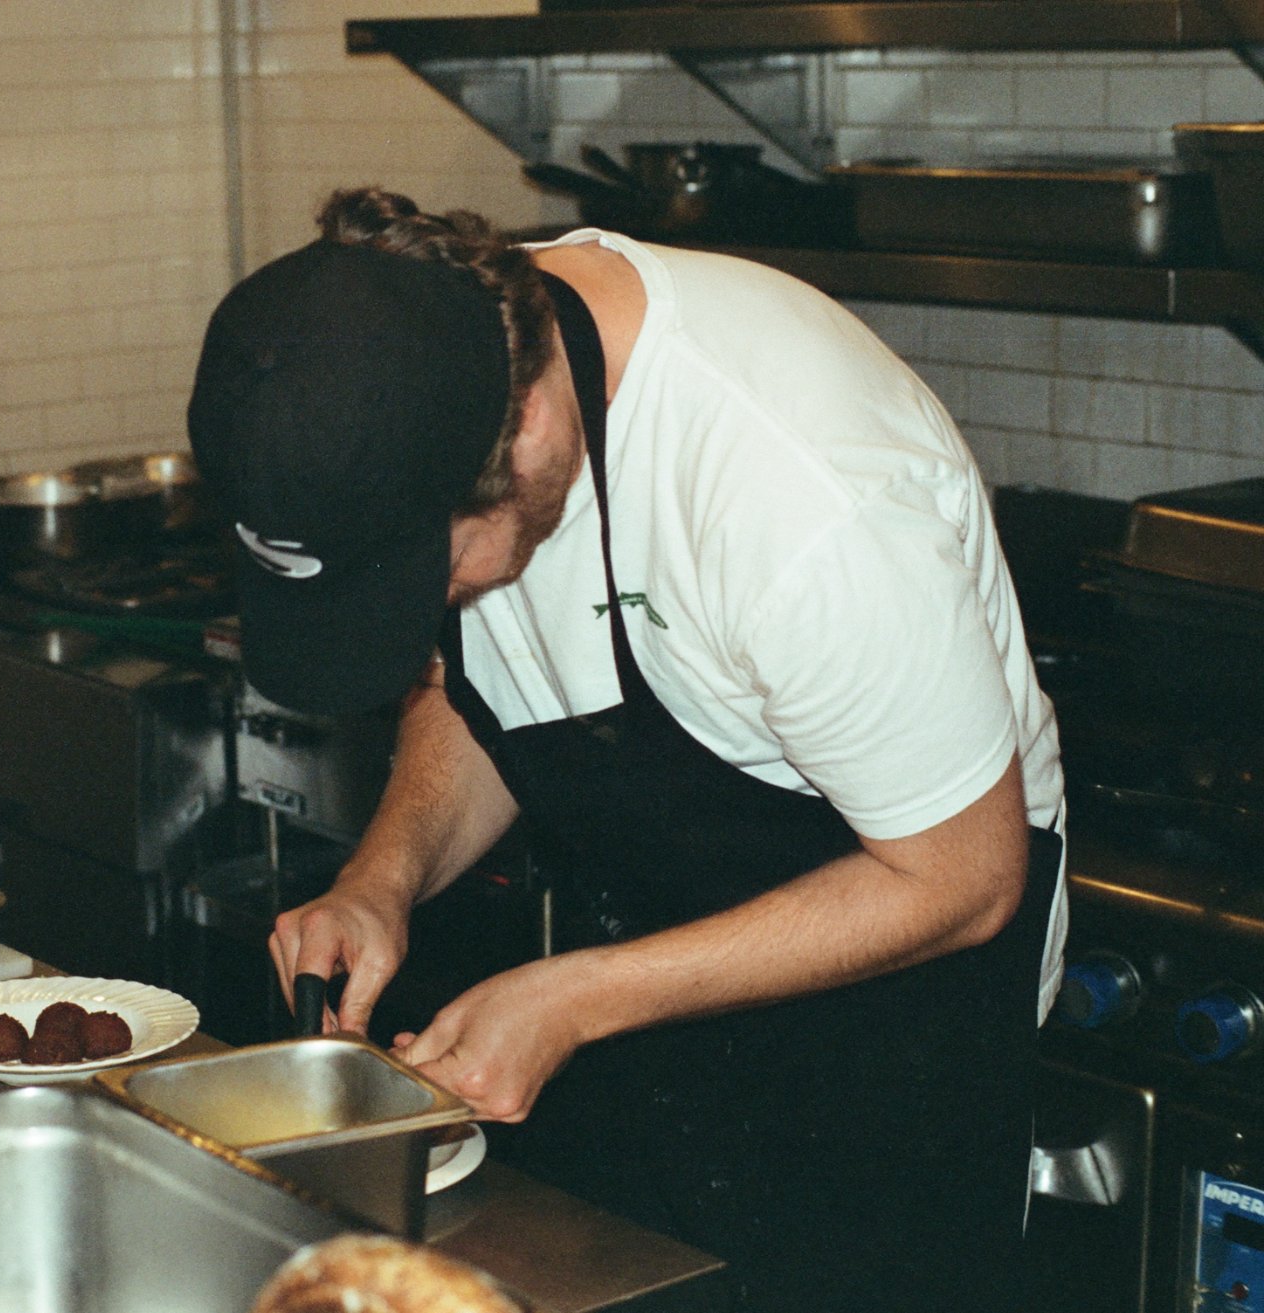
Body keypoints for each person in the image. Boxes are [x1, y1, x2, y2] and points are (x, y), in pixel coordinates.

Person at [186, 187, 1066, 1313]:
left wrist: (572, 998)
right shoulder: (452, 368)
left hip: (894, 1035)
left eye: (420, 579)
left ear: (530, 437)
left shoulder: (794, 497)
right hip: (655, 996)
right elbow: (483, 690)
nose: (427, 610)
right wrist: (382, 879)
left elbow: (961, 878)